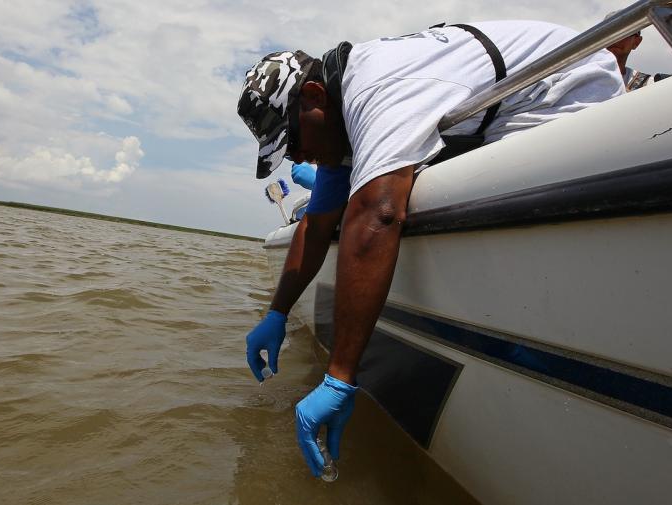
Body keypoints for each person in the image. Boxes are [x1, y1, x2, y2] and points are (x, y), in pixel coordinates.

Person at [237, 20, 624, 478]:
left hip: (563, 91)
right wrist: (277, 312)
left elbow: (377, 216)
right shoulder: (340, 125)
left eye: (294, 142)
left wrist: (339, 376)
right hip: (500, 110)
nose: (298, 158)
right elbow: (318, 225)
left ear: (316, 97)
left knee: (394, 196)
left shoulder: (376, 88)